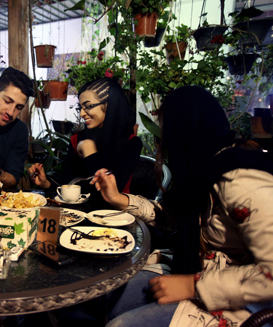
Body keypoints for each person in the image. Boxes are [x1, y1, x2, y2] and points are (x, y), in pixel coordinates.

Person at [91, 86, 273, 327]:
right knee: (107, 295)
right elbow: (172, 214)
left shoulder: (240, 179)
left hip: (242, 305)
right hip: (196, 267)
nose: (164, 142)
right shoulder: (206, 169)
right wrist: (119, 199)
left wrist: (193, 285)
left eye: (167, 132)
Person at [28, 77, 142, 208]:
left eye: (88, 106)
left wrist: (90, 153)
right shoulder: (77, 139)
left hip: (114, 219)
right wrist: (46, 184)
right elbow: (68, 186)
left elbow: (108, 198)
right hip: (76, 215)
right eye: (81, 107)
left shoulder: (131, 143)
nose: (82, 113)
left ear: (110, 104)